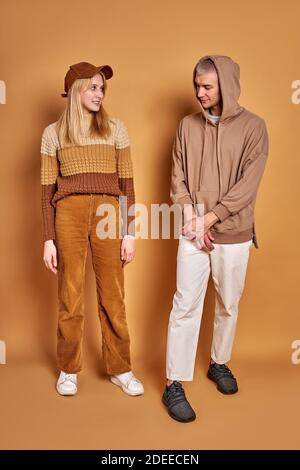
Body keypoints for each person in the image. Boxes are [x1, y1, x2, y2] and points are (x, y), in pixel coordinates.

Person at [162, 55, 269, 422]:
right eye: (197, 86)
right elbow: (178, 177)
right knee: (185, 304)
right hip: (193, 229)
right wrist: (193, 219)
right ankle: (174, 382)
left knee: (228, 303)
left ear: (227, 84)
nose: (200, 93)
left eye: (207, 86)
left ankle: (218, 362)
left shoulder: (254, 127)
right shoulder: (186, 126)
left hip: (234, 232)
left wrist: (212, 218)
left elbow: (248, 185)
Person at [41, 61, 144, 397]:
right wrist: (47, 239)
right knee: (70, 296)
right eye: (94, 87)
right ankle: (68, 369)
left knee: (113, 295)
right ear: (76, 91)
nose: (100, 93)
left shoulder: (116, 128)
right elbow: (45, 192)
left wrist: (129, 231)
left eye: (102, 88)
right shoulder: (52, 134)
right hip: (67, 213)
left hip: (108, 213)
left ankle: (121, 368)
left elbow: (127, 185)